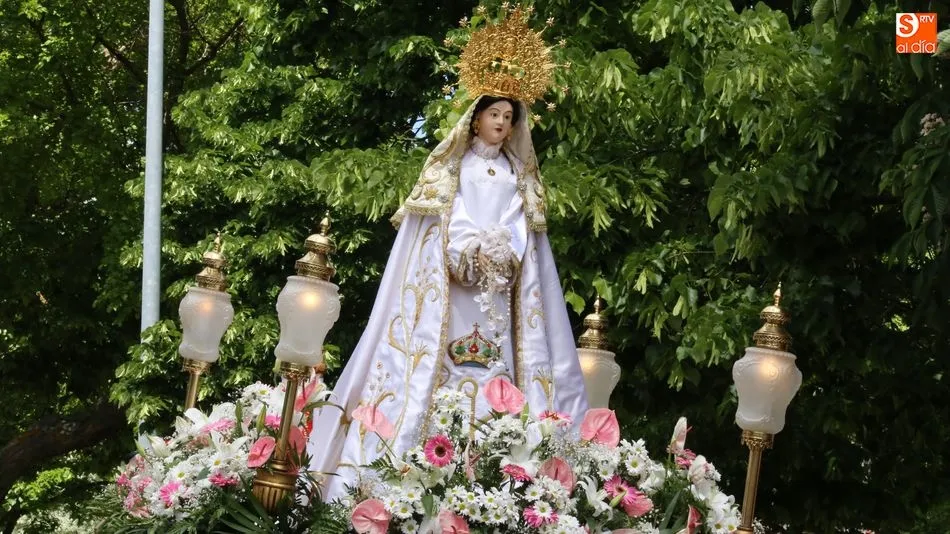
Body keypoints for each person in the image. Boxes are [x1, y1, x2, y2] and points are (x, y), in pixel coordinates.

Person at [307, 7, 588, 501]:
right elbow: (444, 220)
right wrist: (468, 248)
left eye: (508, 117)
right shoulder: (449, 172)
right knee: (436, 373)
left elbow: (524, 229)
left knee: (499, 368)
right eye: (494, 114)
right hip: (453, 288)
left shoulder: (521, 180)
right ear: (476, 117)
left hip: (499, 292)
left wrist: (504, 247)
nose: (501, 124)